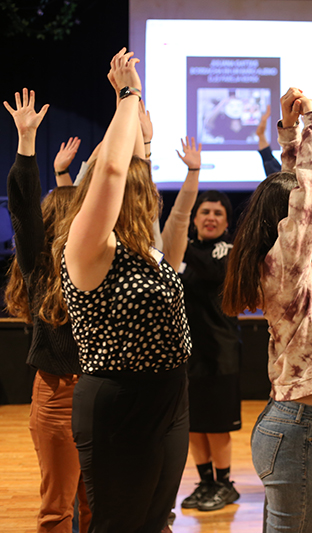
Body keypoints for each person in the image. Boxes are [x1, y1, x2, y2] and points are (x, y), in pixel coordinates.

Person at [40, 48, 191, 533]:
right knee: (119, 524)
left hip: (171, 395)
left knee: (155, 521)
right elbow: (111, 173)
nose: (139, 187)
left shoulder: (142, 245)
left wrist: (143, 139)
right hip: (119, 401)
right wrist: (128, 95)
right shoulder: (86, 246)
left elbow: (135, 178)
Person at [222, 88, 312, 532]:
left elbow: (290, 189)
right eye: (300, 213)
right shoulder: (282, 268)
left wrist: (288, 132)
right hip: (298, 428)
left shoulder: (304, 266)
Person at [3, 88, 91, 533]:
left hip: (100, 393)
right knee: (58, 509)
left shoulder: (96, 263)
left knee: (97, 508)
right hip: (57, 394)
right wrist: (26, 144)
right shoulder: (39, 264)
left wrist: (63, 178)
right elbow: (23, 211)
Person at [160, 139, 243, 512]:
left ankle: (225, 485)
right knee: (194, 423)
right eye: (204, 212)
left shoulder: (228, 251)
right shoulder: (185, 253)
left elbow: (211, 275)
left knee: (217, 425)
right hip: (187, 355)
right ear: (195, 218)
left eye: (217, 214)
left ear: (226, 222)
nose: (210, 217)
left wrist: (175, 238)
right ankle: (205, 482)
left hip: (220, 354)